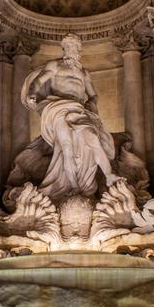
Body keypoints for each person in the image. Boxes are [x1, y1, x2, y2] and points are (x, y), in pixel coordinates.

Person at [21, 34, 120, 202]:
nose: (70, 50)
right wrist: (32, 93)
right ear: (63, 49)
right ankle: (73, 186)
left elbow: (93, 95)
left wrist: (92, 105)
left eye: (73, 47)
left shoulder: (84, 73)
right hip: (58, 108)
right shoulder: (55, 65)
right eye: (67, 47)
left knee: (92, 136)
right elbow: (38, 82)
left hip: (79, 109)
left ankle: (109, 175)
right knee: (66, 147)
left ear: (78, 50)